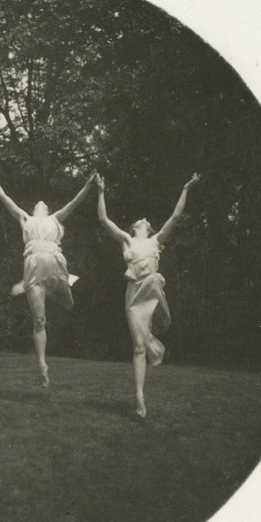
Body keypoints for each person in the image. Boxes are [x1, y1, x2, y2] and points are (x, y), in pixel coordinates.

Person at [0, 154, 97, 388]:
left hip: (55, 264)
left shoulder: (55, 218)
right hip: (33, 266)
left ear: (48, 210)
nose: (40, 204)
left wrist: (89, 184)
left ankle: (53, 289)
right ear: (33, 210)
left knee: (69, 304)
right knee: (39, 321)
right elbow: (3, 197)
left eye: (44, 205)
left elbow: (75, 202)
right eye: (37, 205)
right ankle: (42, 365)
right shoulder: (26, 219)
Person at [96, 171, 200, 417]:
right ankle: (139, 397)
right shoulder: (126, 240)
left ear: (148, 228)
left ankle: (154, 327)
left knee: (154, 286)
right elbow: (103, 219)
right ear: (134, 228)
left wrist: (186, 188)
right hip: (134, 294)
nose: (142, 220)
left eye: (145, 221)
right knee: (139, 347)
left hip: (151, 289)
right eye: (139, 221)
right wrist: (100, 192)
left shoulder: (156, 240)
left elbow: (176, 216)